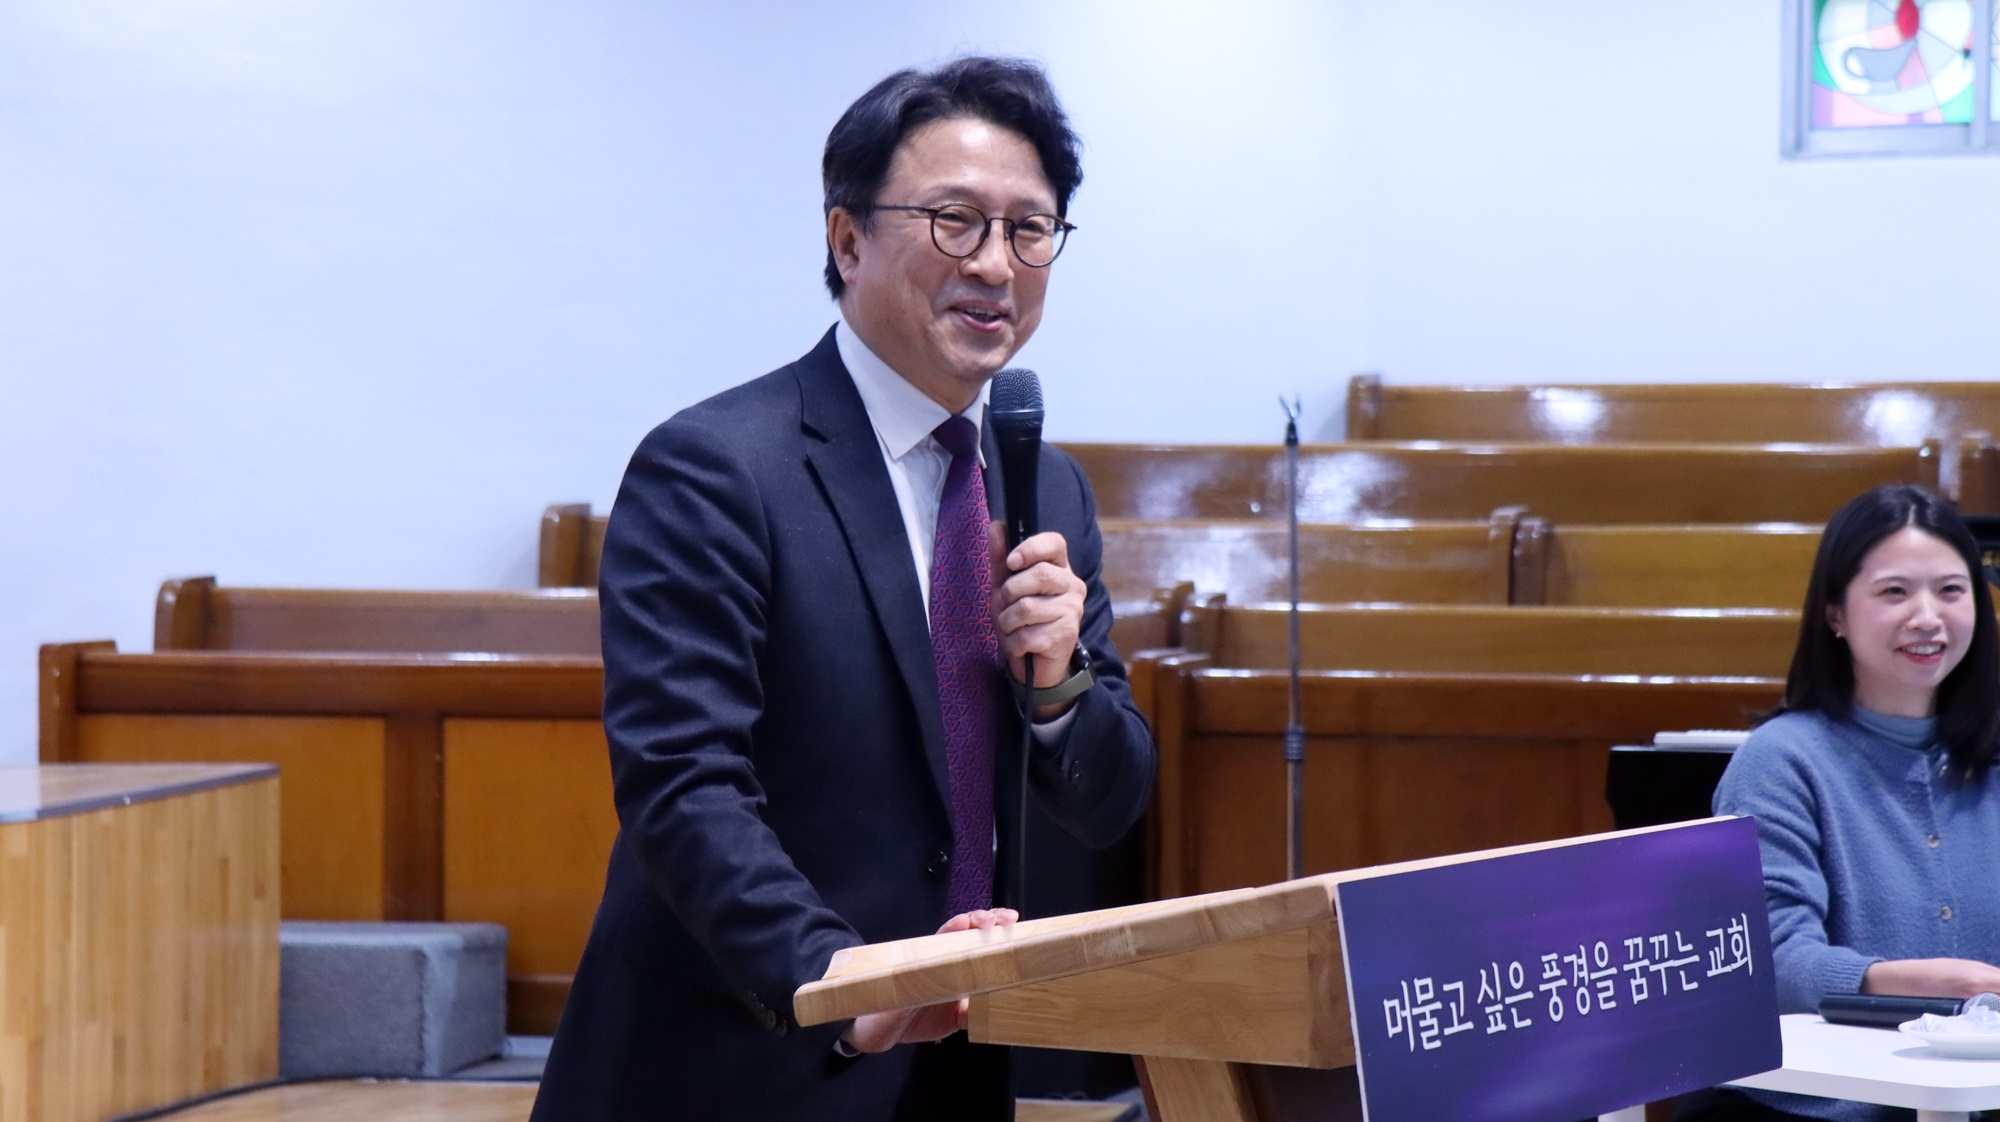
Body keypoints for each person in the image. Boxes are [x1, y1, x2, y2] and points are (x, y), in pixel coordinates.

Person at [529, 57, 1156, 1122]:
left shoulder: (1042, 485)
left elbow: (1108, 801)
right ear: (847, 239)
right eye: (954, 220)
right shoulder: (718, 468)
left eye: (1029, 229)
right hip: (736, 1066)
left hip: (954, 1065)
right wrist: (839, 978)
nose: (995, 263)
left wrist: (1057, 687)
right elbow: (683, 783)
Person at [1674, 484, 2000, 1122]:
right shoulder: (1780, 761)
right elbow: (1769, 960)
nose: (1927, 617)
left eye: (1951, 590)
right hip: (1810, 1107)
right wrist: (1927, 984)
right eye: (1894, 592)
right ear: (1835, 614)